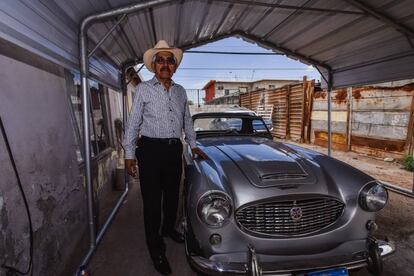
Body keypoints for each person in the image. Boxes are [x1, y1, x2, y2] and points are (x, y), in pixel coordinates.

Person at [123, 40, 207, 275]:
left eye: (170, 60)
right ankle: (156, 248)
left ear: (175, 67)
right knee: (152, 204)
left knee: (172, 197)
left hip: (173, 151)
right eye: (160, 60)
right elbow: (133, 124)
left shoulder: (180, 92)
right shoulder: (143, 90)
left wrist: (193, 144)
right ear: (153, 65)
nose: (165, 64)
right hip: (149, 151)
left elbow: (187, 121)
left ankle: (169, 229)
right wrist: (129, 154)